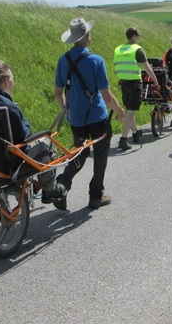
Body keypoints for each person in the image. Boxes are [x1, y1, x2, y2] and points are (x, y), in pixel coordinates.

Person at [0, 61, 65, 205]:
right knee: (48, 143)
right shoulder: (9, 108)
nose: (13, 82)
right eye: (12, 79)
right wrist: (25, 122)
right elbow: (23, 137)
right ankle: (49, 189)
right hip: (8, 161)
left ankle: (31, 185)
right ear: (5, 81)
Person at [54, 17, 125, 210]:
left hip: (75, 118)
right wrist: (119, 111)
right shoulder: (96, 60)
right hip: (97, 118)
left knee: (80, 152)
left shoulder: (63, 60)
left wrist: (66, 111)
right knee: (100, 156)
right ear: (87, 37)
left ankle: (62, 184)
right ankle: (96, 196)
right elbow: (107, 96)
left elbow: (58, 93)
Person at [113, 26, 159, 150]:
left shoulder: (118, 49)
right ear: (133, 36)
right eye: (139, 35)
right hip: (134, 83)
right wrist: (155, 80)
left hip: (123, 82)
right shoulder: (137, 49)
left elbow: (118, 65)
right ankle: (123, 139)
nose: (140, 38)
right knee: (131, 111)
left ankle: (135, 133)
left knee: (129, 109)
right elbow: (147, 68)